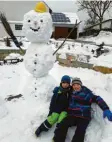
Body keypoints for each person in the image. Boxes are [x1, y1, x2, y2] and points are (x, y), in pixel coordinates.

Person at [53, 77, 112, 142]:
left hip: (83, 116)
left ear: (81, 85)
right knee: (62, 125)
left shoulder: (87, 93)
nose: (76, 86)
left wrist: (106, 108)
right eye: (74, 85)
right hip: (72, 115)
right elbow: (62, 88)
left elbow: (98, 99)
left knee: (80, 132)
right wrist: (57, 89)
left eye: (78, 84)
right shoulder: (71, 92)